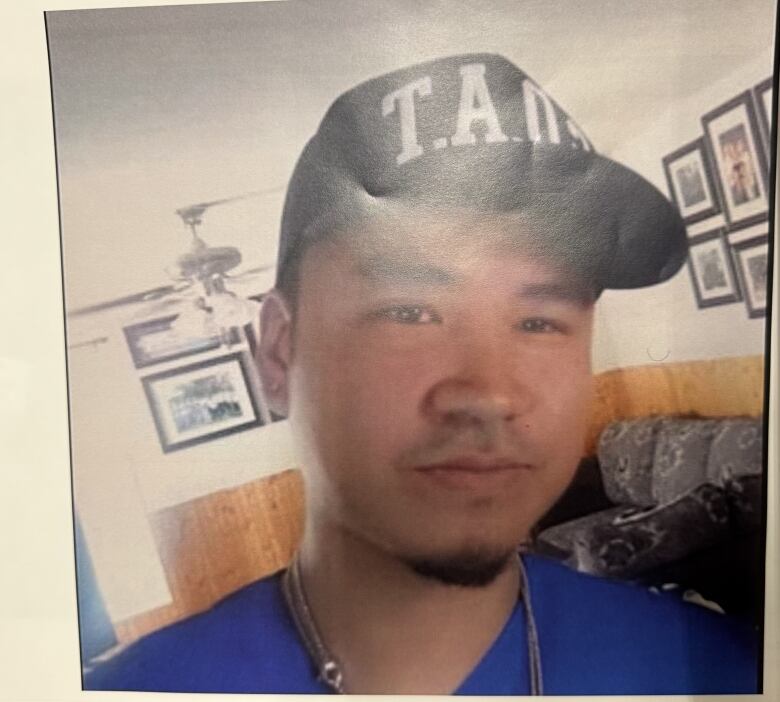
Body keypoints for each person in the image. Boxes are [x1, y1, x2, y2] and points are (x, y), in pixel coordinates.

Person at [84, 53, 759, 695]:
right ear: (280, 353)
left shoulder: (723, 674)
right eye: (409, 310)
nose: (491, 393)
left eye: (539, 321)